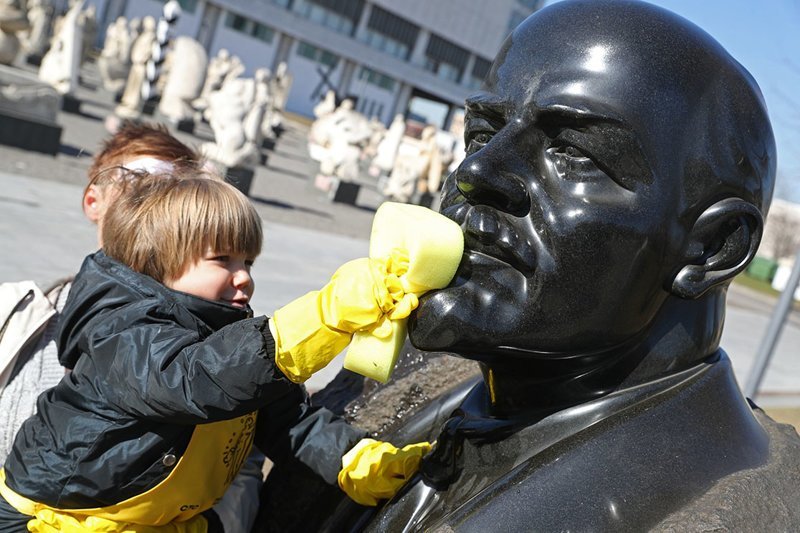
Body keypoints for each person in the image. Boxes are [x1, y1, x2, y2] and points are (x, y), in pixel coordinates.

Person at [324, 0, 800, 531]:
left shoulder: (726, 509)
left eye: (573, 153)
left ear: (712, 248)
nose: (477, 171)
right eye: (482, 134)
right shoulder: (409, 368)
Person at [0, 173, 431, 532]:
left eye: (249, 262)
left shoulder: (231, 330)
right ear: (157, 262)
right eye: (222, 259)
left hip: (156, 519)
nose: (243, 278)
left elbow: (289, 421)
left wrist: (356, 461)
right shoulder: (122, 330)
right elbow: (195, 379)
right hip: (57, 519)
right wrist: (326, 318)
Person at [0, 123, 268, 532]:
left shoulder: (221, 344)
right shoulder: (16, 311)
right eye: (144, 179)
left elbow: (240, 471)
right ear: (94, 200)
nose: (165, 198)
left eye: (182, 184)